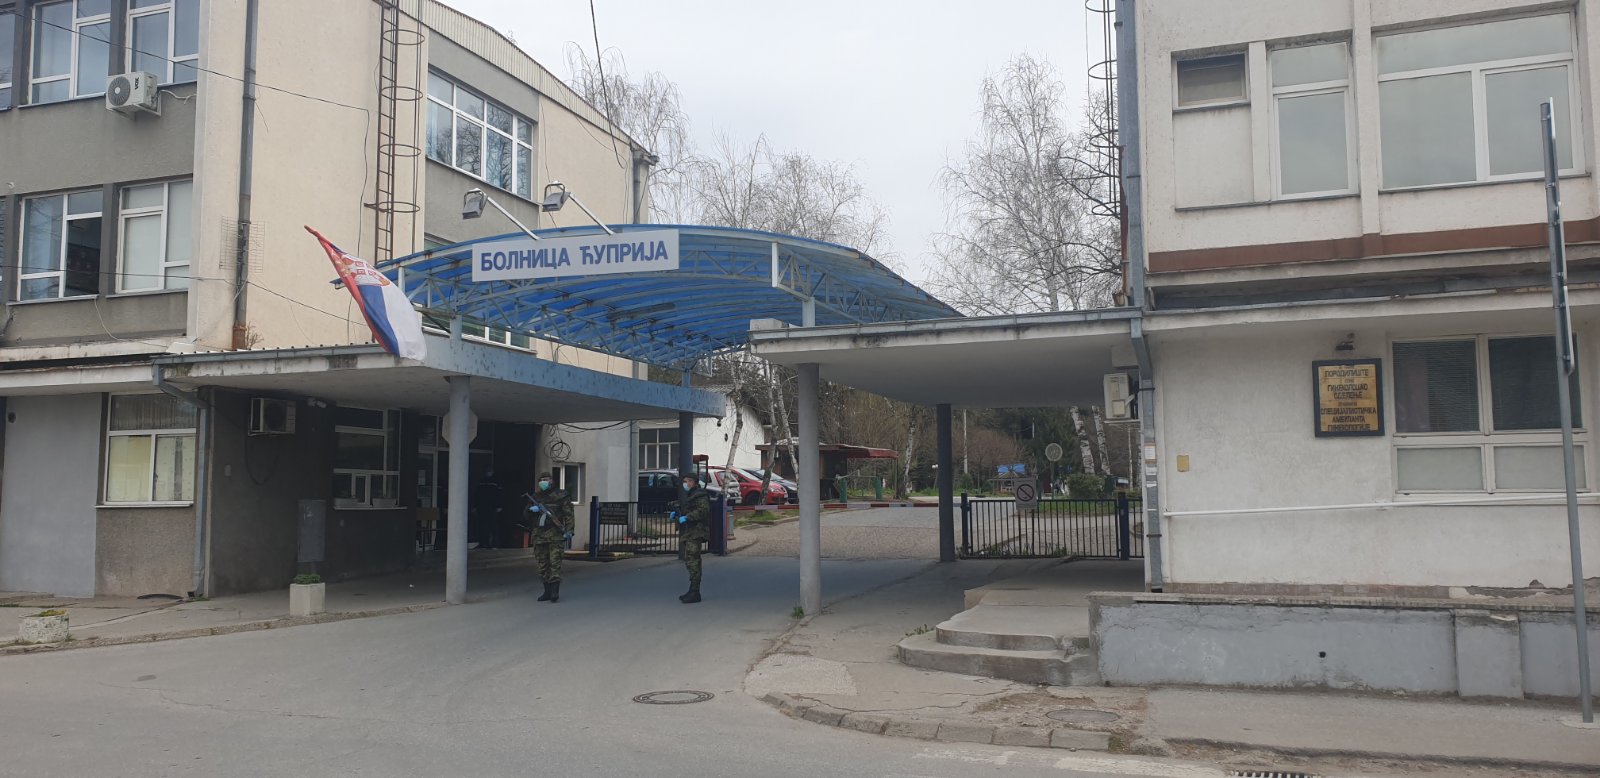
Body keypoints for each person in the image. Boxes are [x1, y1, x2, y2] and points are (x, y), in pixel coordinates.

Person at [526, 472, 572, 603]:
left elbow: (568, 514)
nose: (543, 482)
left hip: (555, 535)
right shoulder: (536, 496)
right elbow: (526, 515)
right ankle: (546, 591)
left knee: (554, 563)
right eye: (541, 480)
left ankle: (554, 591)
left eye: (546, 479)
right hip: (539, 536)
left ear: (551, 480)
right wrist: (531, 510)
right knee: (542, 565)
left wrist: (569, 530)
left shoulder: (561, 495)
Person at [670, 472, 712, 604]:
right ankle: (692, 589)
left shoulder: (700, 495)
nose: (686, 484)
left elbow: (702, 511)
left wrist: (687, 517)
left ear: (694, 482)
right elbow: (688, 510)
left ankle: (695, 591)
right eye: (684, 481)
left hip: (696, 532)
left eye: (688, 481)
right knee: (690, 560)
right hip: (691, 532)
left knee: (693, 560)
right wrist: (677, 515)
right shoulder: (691, 495)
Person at [471, 471, 503, 550]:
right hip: (482, 507)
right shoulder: (481, 482)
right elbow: (476, 494)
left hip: (492, 507)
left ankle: (494, 544)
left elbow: (499, 495)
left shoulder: (495, 482)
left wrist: (499, 506)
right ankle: (483, 543)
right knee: (482, 526)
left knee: (492, 526)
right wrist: (474, 506)